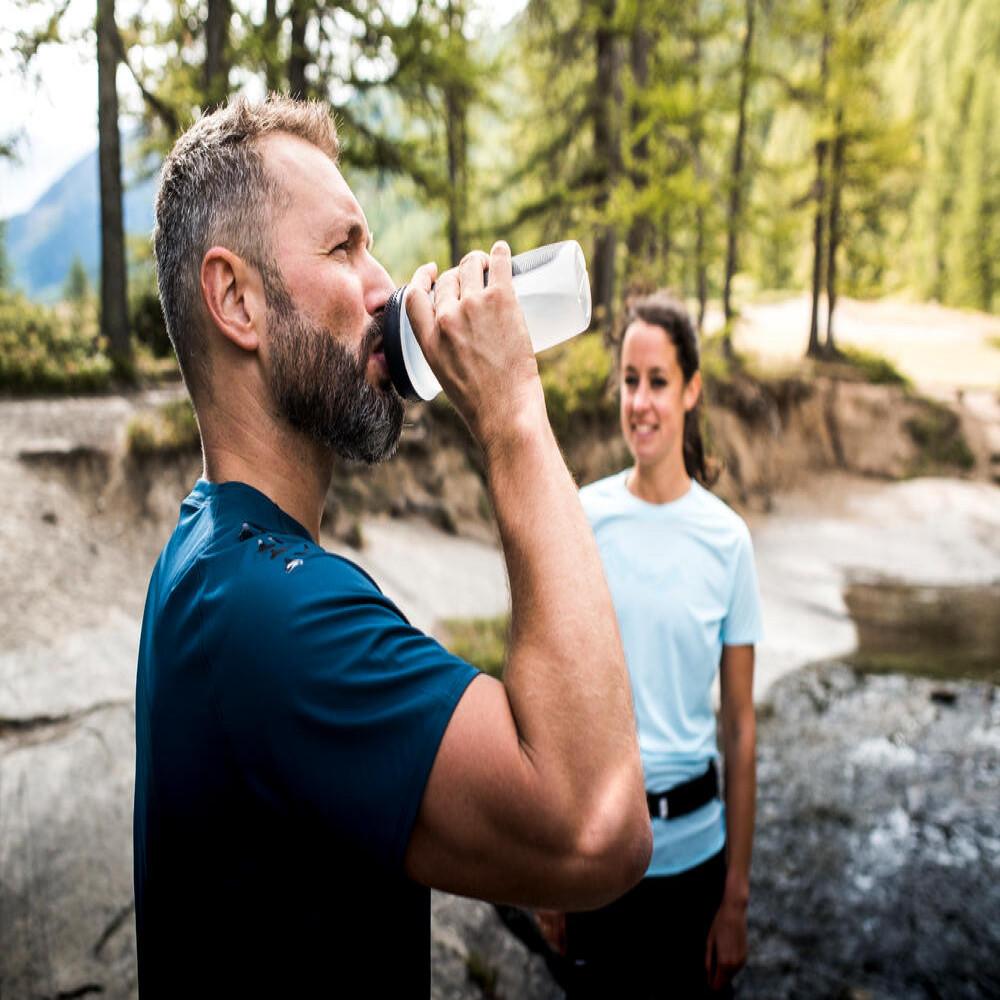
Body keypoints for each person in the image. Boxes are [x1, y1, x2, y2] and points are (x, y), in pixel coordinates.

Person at [134, 95, 651, 997]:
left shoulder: (207, 549)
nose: (387, 287)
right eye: (344, 248)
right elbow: (598, 826)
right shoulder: (273, 615)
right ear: (236, 299)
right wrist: (513, 412)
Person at [539, 292, 762, 997]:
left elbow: (740, 728)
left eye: (658, 381)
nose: (640, 401)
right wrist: (551, 870)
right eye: (629, 381)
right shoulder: (586, 518)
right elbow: (555, 693)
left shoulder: (727, 541)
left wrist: (734, 900)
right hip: (597, 858)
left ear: (691, 390)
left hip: (696, 864)